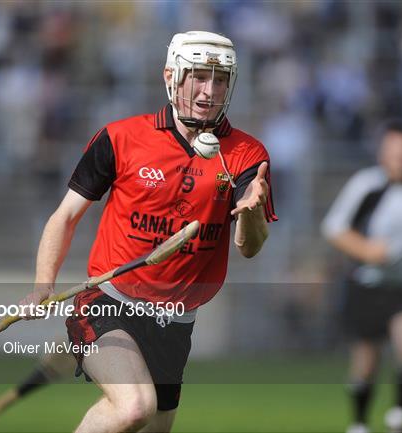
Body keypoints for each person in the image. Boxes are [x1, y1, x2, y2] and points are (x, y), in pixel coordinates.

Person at [18, 31, 277, 433]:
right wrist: (42, 285)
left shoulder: (247, 155)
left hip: (176, 321)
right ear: (171, 77)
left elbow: (248, 246)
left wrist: (253, 212)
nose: (210, 90)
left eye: (220, 79)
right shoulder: (121, 138)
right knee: (134, 407)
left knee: (153, 425)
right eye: (199, 76)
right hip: (108, 300)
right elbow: (65, 216)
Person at [321, 121, 402, 433]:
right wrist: (365, 250)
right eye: (394, 152)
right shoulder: (368, 185)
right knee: (366, 362)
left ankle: (400, 412)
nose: (400, 159)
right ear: (383, 153)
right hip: (369, 284)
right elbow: (334, 227)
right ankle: (360, 423)